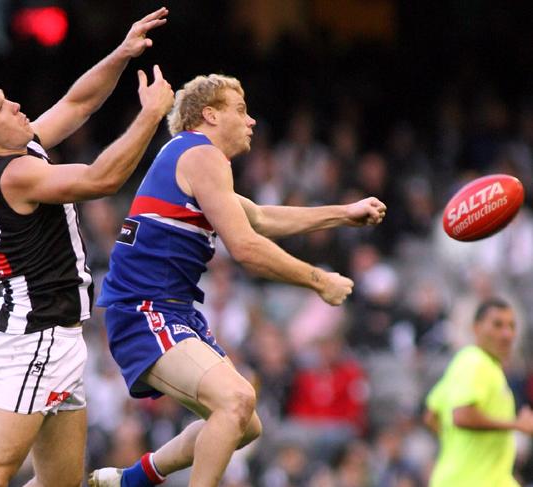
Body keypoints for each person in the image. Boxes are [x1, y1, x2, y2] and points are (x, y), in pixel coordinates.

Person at [90, 73, 387, 487]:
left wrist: (343, 212)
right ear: (209, 115)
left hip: (170, 310)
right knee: (236, 400)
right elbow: (245, 247)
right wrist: (318, 279)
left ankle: (132, 480)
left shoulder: (196, 162)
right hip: (145, 309)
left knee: (245, 424)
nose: (251, 122)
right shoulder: (200, 154)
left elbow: (261, 217)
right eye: (241, 110)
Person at [0, 7, 175, 487]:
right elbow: (101, 179)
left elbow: (79, 102)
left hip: (56, 337)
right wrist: (149, 116)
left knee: (61, 482)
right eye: (0, 107)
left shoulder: (18, 147)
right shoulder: (15, 174)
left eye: (4, 96)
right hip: (33, 340)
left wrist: (122, 53)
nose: (15, 105)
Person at [424, 297, 533, 487]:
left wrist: (460, 447)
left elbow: (431, 416)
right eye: (497, 325)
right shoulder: (475, 362)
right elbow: (462, 416)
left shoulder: (466, 364)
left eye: (511, 326)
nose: (506, 334)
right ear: (476, 328)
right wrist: (517, 424)